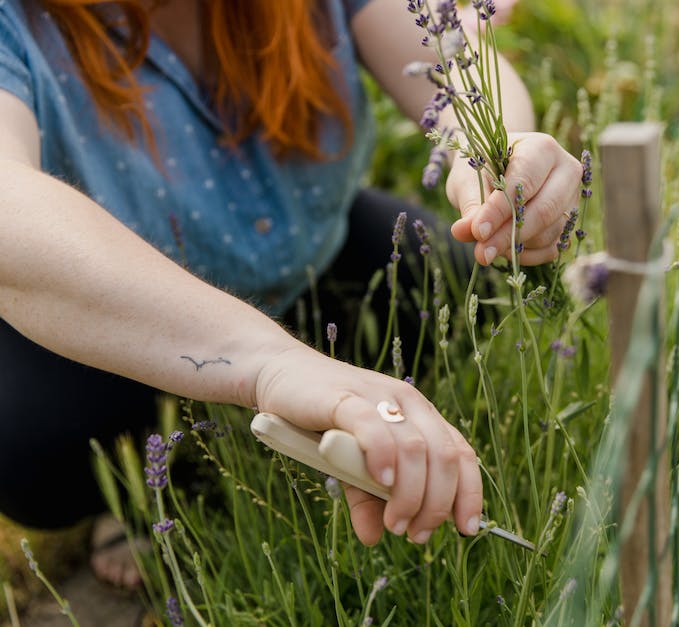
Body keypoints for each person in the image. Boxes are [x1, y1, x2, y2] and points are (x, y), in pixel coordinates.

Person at [0, 0, 582, 587]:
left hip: (307, 252)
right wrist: (269, 364)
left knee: (454, 296)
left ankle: (256, 429)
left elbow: (447, 55)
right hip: (113, 306)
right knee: (32, 445)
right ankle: (143, 491)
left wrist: (497, 156)